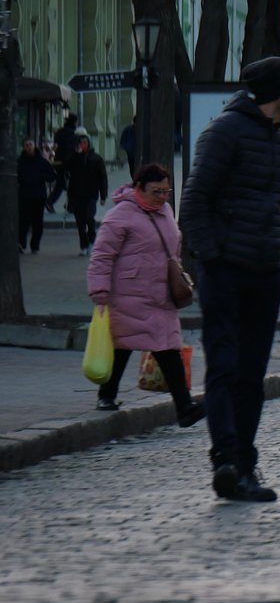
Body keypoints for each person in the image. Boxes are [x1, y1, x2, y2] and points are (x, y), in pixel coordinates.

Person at [181, 56, 280, 502]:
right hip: (226, 272)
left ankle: (245, 468)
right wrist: (211, 258)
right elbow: (194, 200)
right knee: (224, 368)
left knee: (252, 375)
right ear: (277, 90)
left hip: (267, 274)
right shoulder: (224, 132)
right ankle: (227, 461)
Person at [86, 164, 204, 428]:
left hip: (161, 294)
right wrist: (99, 289)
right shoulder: (120, 215)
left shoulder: (165, 212)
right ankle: (108, 395)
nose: (162, 196)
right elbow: (102, 255)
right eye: (156, 191)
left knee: (168, 347)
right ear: (138, 188)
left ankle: (184, 407)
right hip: (129, 293)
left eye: (166, 191)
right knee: (124, 344)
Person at [64, 129, 108, 256]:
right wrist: (74, 155)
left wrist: (103, 194)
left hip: (91, 194)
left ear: (89, 143)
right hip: (76, 194)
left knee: (89, 217)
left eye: (85, 142)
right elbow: (66, 167)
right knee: (80, 221)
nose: (83, 145)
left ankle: (92, 240)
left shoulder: (96, 159)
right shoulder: (74, 158)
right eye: (81, 143)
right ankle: (83, 245)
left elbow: (102, 177)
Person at [17, 138, 55, 254]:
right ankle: (21, 244)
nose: (28, 147)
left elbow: (51, 176)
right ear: (24, 147)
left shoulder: (42, 162)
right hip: (24, 196)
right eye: (26, 145)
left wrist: (41, 176)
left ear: (34, 146)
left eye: (30, 145)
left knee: (37, 222)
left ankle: (35, 245)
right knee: (23, 222)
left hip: (38, 196)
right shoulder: (20, 162)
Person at [47, 113, 79, 211]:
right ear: (74, 122)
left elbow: (56, 146)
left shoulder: (59, 132)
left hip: (59, 162)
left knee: (62, 183)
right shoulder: (74, 133)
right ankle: (67, 205)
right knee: (70, 184)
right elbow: (72, 149)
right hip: (69, 162)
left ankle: (67, 204)